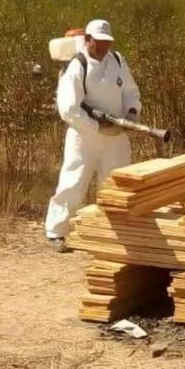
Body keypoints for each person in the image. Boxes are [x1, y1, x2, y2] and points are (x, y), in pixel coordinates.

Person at [44, 18, 141, 252]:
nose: (104, 46)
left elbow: (130, 90)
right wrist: (96, 127)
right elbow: (68, 108)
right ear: (88, 40)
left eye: (107, 42)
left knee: (115, 185)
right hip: (84, 137)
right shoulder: (78, 66)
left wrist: (131, 112)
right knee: (73, 182)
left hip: (116, 137)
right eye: (99, 41)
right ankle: (56, 231)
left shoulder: (117, 60)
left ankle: (112, 233)